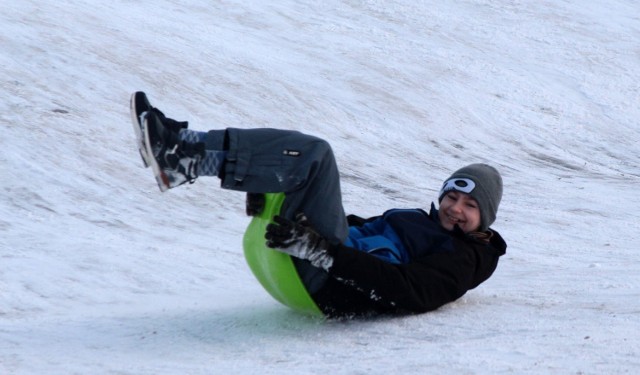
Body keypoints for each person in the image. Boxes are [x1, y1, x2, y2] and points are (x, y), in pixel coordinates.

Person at [131, 92, 507, 318]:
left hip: (329, 282)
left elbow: (412, 291)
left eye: (470, 205)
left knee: (315, 154)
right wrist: (275, 195)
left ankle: (184, 156)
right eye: (452, 197)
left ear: (485, 217)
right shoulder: (411, 220)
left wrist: (323, 252)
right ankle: (183, 147)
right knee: (299, 162)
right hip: (319, 263)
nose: (455, 209)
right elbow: (347, 222)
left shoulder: (465, 256)